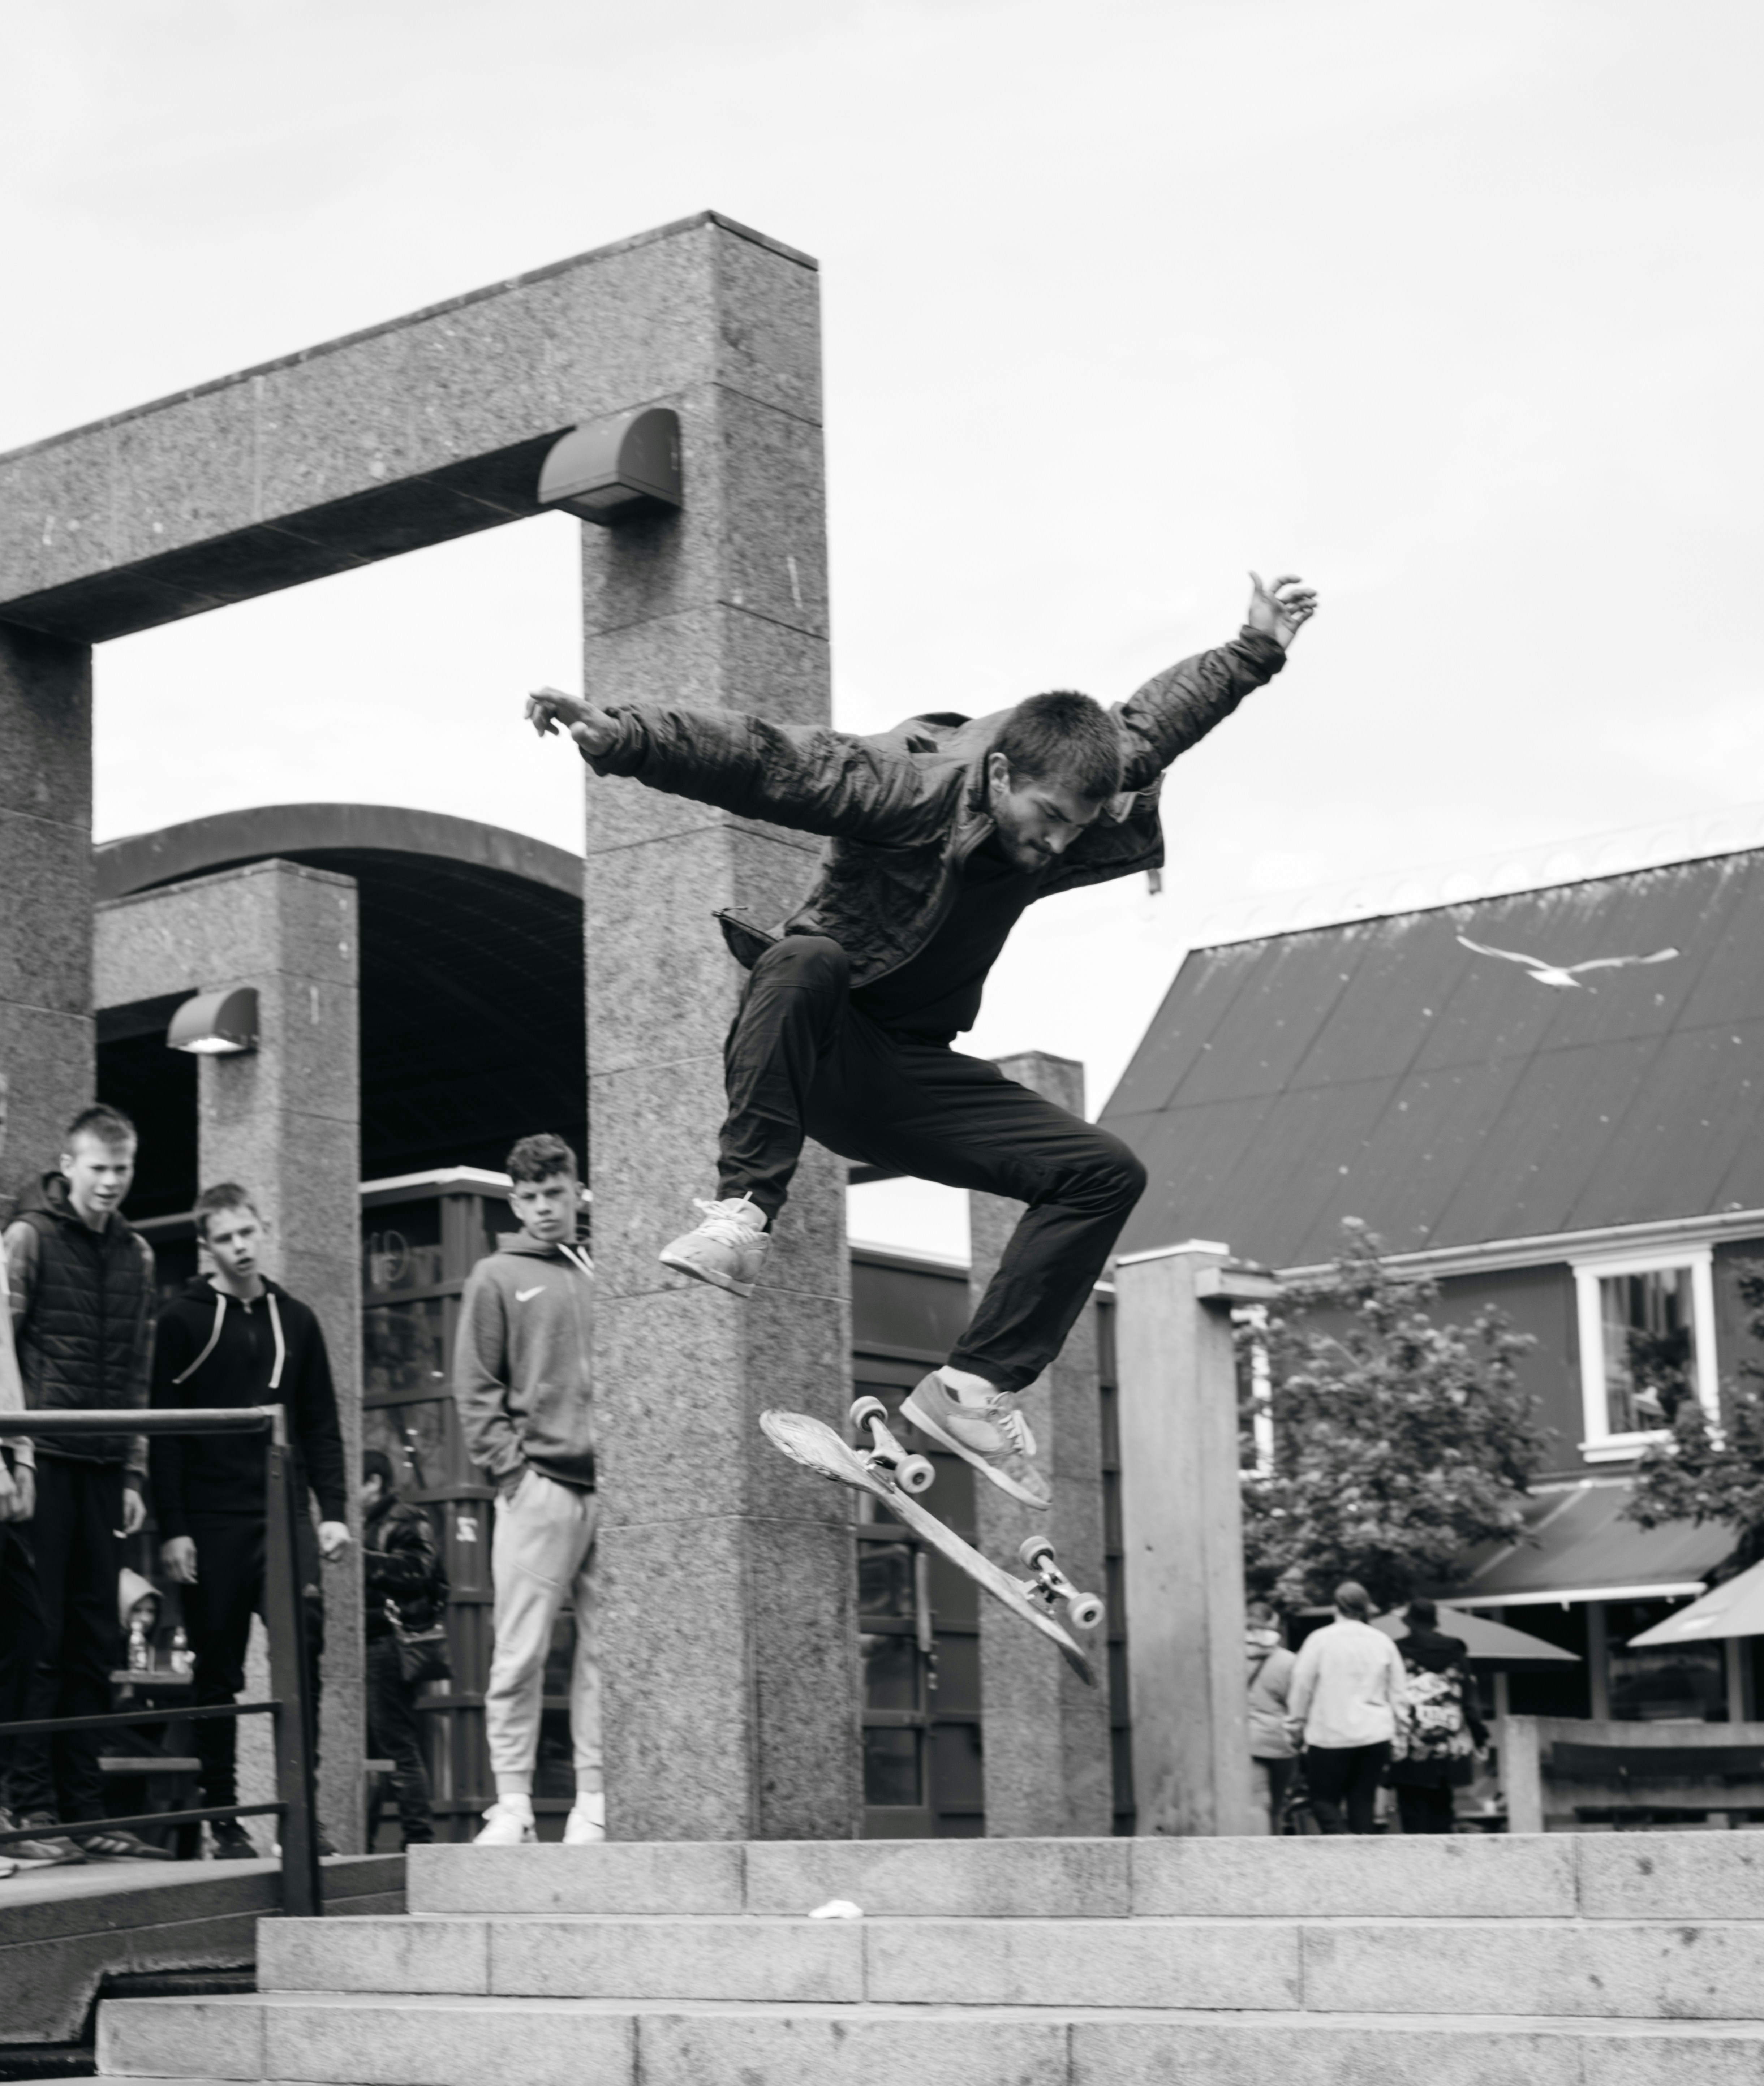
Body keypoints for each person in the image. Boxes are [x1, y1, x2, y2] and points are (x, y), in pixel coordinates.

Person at [525, 573, 1317, 1510]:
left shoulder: (1086, 785)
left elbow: (1158, 719)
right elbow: (771, 761)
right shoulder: (906, 783)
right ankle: (742, 1214)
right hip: (820, 1045)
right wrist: (624, 735)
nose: (1055, 845)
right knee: (805, 958)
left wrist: (1256, 647)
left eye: (1075, 828)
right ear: (999, 776)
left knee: (1104, 1171)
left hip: (906, 1074)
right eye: (1046, 819)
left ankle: (971, 1388)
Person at [149, 1183, 349, 1859]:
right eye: (226, 1237)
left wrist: (334, 1512)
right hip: (210, 1518)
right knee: (217, 1668)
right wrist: (174, 1527)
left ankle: (301, 1813)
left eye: (247, 1232)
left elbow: (321, 1423)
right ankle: (225, 1819)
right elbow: (164, 1432)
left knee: (304, 1647)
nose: (240, 1246)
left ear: (264, 1229)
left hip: (283, 1510)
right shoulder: (180, 1321)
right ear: (205, 1246)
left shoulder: (298, 1319)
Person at [4, 1103, 159, 1860]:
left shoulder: (138, 1254)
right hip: (44, 1462)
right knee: (39, 1635)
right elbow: (2, 1349)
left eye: (122, 1168)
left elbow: (139, 1372)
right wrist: (14, 1455)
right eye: (99, 1167)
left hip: (104, 1465)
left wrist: (134, 1466)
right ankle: (32, 1808)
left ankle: (85, 1809)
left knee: (96, 1638)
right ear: (68, 1165)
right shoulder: (29, 1237)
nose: (110, 1181)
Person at [452, 1133, 602, 1848]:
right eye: (531, 1196)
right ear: (514, 1202)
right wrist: (511, 1473)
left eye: (555, 1192)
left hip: (615, 1493)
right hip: (538, 1484)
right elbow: (475, 1384)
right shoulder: (495, 1275)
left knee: (606, 1655)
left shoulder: (606, 1266)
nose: (544, 1207)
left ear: (577, 1190)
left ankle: (593, 1800)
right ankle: (512, 1803)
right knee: (519, 1653)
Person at [360, 1450, 440, 1849]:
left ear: (374, 1482)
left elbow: (420, 1571)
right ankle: (365, 1839)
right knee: (372, 1749)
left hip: (388, 1643)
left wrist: (360, 1561)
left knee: (397, 1745)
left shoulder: (404, 1518)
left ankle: (418, 1841)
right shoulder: (367, 1522)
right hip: (365, 1643)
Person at [1286, 1580, 1409, 1836]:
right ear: (1366, 1608)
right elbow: (1398, 1691)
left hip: (1329, 1734)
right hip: (1375, 1734)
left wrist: (1296, 1724)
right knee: (1362, 1802)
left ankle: (1344, 1847)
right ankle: (1360, 1854)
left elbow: (1302, 1685)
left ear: (1336, 1607)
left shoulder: (1319, 1640)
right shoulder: (1383, 1641)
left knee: (1323, 1801)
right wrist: (1402, 1732)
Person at [1387, 1597, 1487, 1835]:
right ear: (1435, 1622)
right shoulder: (1455, 1651)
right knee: (1443, 1811)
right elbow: (1469, 1699)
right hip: (1449, 1742)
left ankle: (1417, 1858)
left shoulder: (1397, 1651)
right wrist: (1480, 1736)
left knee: (1412, 1812)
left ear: (1409, 1622)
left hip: (1411, 1743)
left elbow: (1388, 1695)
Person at [1245, 1599, 1297, 1833]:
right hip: (1279, 1742)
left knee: (1257, 1803)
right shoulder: (1288, 1660)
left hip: (1246, 1741)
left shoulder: (1229, 1656)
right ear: (1273, 1623)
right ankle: (1275, 1843)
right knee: (1276, 1806)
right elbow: (1296, 1703)